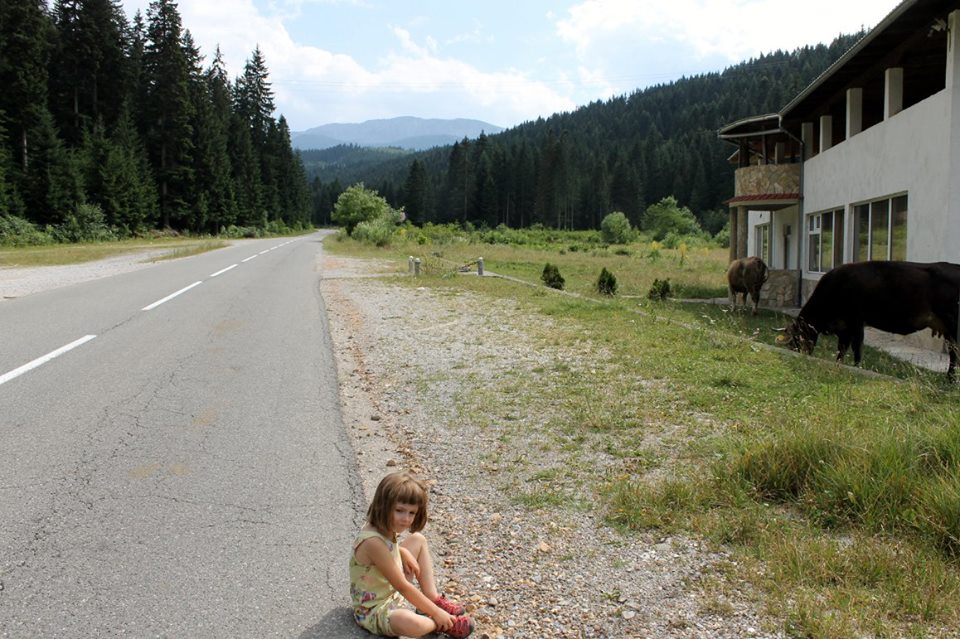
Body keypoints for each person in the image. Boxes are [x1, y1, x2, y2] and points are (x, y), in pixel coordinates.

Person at [350, 471, 475, 638]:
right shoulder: (372, 542)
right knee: (412, 623)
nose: (406, 519)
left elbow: (387, 552)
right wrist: (437, 614)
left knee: (418, 539)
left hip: (390, 592)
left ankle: (432, 598)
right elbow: (403, 586)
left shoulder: (383, 526)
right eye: (400, 510)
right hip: (375, 608)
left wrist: (402, 552)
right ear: (383, 506)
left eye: (412, 513)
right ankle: (440, 622)